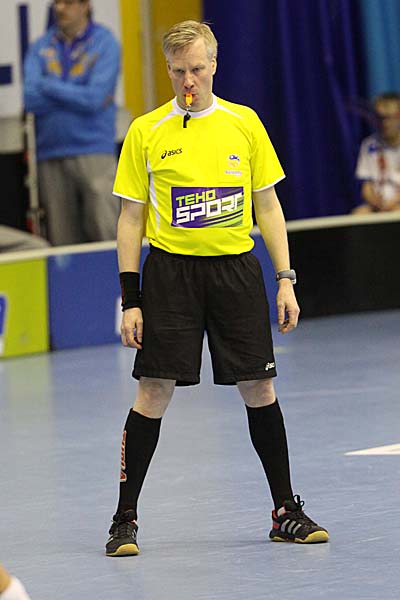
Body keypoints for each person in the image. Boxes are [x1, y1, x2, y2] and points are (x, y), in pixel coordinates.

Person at [106, 20, 329, 557]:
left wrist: (285, 280)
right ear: (168, 70)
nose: (189, 81)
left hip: (235, 273)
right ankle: (124, 519)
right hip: (171, 277)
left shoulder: (243, 124)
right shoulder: (147, 131)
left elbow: (268, 207)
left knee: (260, 389)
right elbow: (130, 220)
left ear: (214, 65)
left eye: (197, 69)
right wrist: (131, 299)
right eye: (178, 71)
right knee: (153, 392)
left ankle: (285, 511)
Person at [23, 0, 121, 246]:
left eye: (67, 2)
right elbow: (30, 99)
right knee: (62, 244)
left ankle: (114, 274)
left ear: (85, 5)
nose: (59, 8)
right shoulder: (40, 46)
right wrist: (77, 92)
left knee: (106, 233)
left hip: (95, 151)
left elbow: (95, 99)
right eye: (57, 2)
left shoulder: (105, 42)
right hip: (50, 153)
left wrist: (47, 85)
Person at [353, 92, 400, 214]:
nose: (385, 123)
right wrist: (374, 201)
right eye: (380, 118)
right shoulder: (369, 145)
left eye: (389, 118)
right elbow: (366, 184)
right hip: (378, 205)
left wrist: (394, 202)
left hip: (397, 203)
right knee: (359, 214)